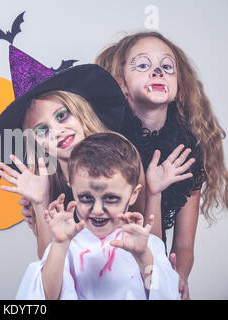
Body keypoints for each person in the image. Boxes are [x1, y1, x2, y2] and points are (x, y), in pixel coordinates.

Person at [0, 45, 193, 260]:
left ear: (81, 111)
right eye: (43, 130)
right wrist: (39, 202)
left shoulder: (122, 157)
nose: (58, 131)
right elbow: (47, 268)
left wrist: (153, 192)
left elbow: (149, 244)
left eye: (62, 116)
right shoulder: (43, 182)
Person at [95, 31, 228, 299]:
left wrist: (179, 276)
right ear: (121, 83)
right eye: (143, 65)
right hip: (101, 272)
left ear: (179, 82)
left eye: (166, 67)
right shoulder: (104, 142)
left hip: (150, 270)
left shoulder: (187, 150)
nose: (157, 72)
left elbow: (183, 245)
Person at [16, 132, 180, 300]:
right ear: (72, 188)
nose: (97, 210)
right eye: (86, 198)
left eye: (111, 198)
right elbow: (44, 298)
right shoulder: (66, 242)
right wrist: (59, 245)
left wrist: (143, 256)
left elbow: (164, 294)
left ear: (133, 194)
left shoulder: (147, 244)